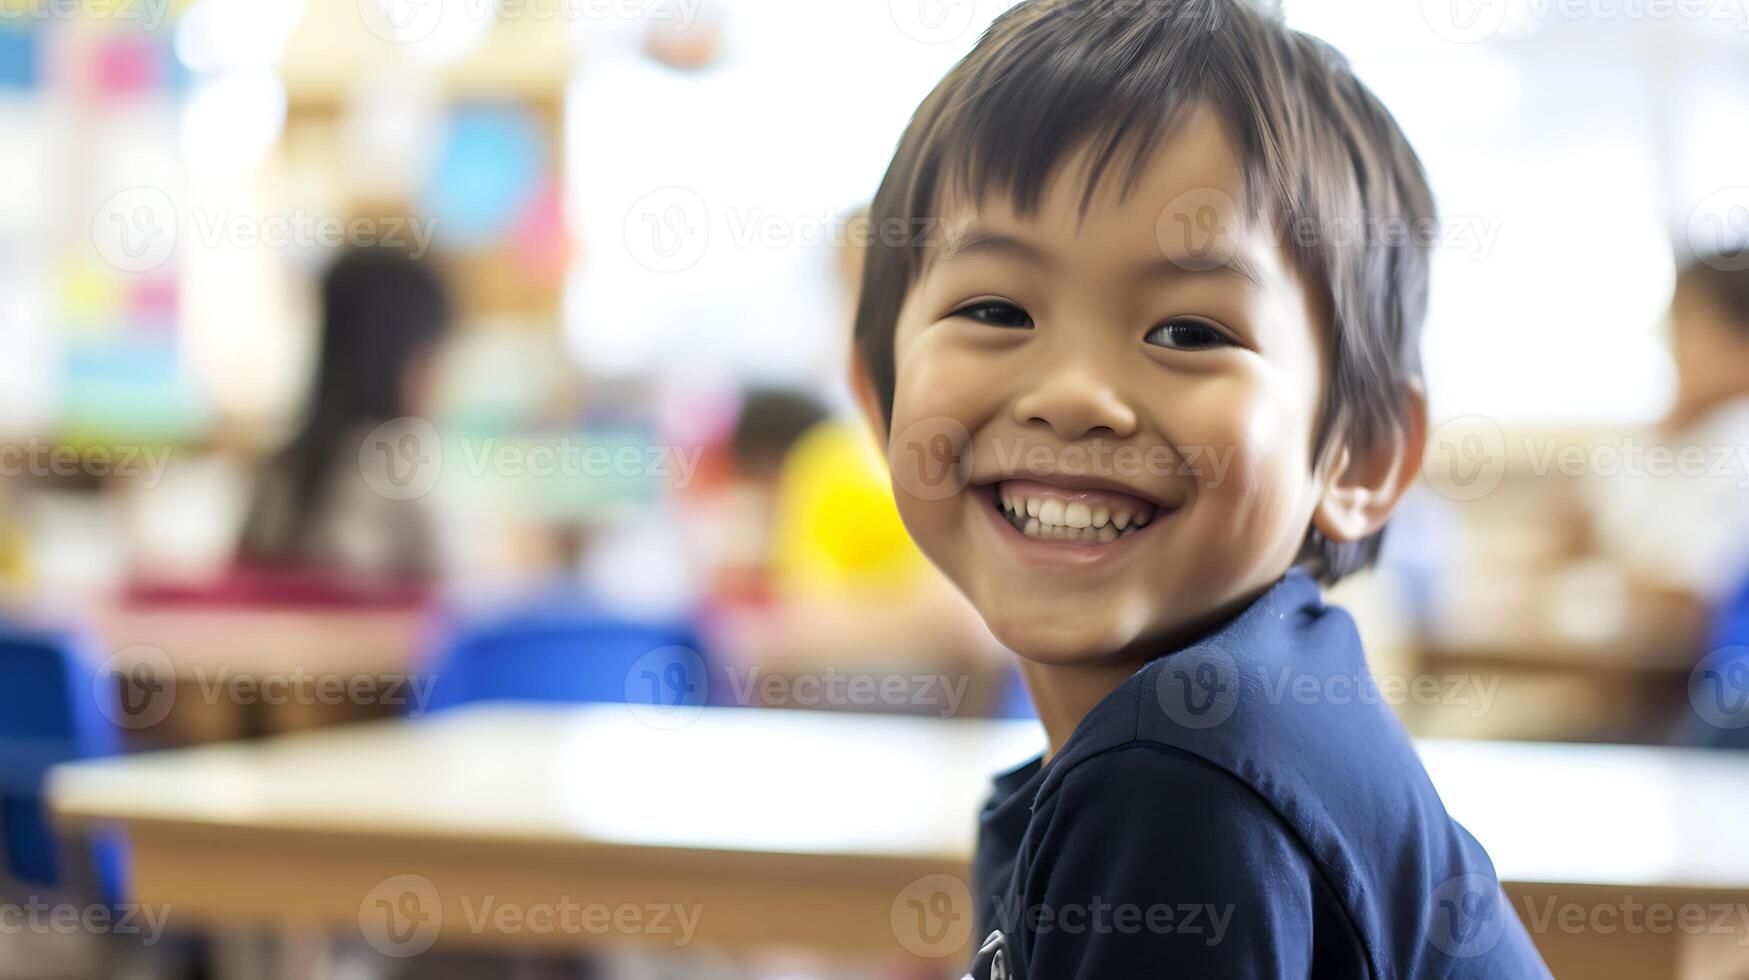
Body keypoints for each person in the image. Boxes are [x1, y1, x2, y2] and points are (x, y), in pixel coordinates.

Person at [848, 1, 1550, 975]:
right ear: (875, 392)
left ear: (1362, 451)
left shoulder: (1178, 768)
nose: (1073, 396)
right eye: (997, 308)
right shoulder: (1239, 711)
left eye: (1188, 331)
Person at [237, 244, 452, 586]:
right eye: (433, 356)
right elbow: (446, 602)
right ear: (400, 355)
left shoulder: (278, 473)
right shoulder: (400, 473)